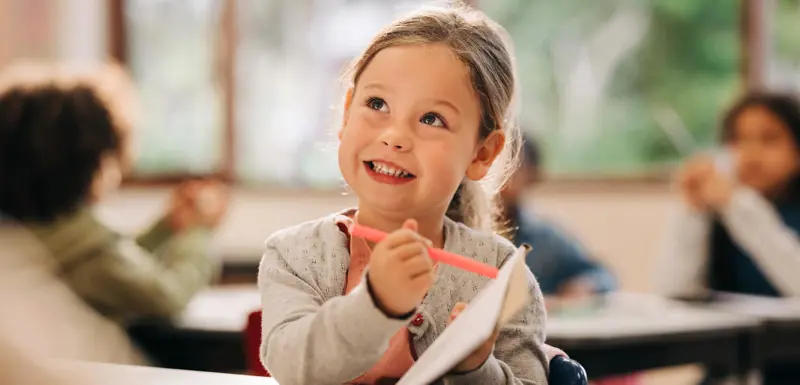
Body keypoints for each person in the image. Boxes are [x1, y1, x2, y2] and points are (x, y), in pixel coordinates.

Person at [258, 4, 549, 384]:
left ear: (482, 153)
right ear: (346, 115)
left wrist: (476, 369)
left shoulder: (501, 276)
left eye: (432, 119)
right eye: (377, 104)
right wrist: (376, 306)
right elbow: (292, 365)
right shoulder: (294, 254)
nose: (394, 136)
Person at [0, 61, 229, 325]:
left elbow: (122, 262)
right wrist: (197, 232)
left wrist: (165, 228)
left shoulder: (27, 233)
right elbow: (167, 296)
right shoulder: (89, 250)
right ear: (87, 161)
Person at [657, 92, 800, 385]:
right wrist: (692, 213)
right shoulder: (721, 215)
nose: (751, 153)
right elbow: (673, 291)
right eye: (738, 140)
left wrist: (740, 206)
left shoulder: (742, 209)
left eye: (769, 139)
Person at [501, 135, 615, 307]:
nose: (503, 175)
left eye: (515, 167)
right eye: (499, 165)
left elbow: (603, 276)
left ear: (532, 175)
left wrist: (585, 286)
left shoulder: (545, 237)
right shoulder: (462, 230)